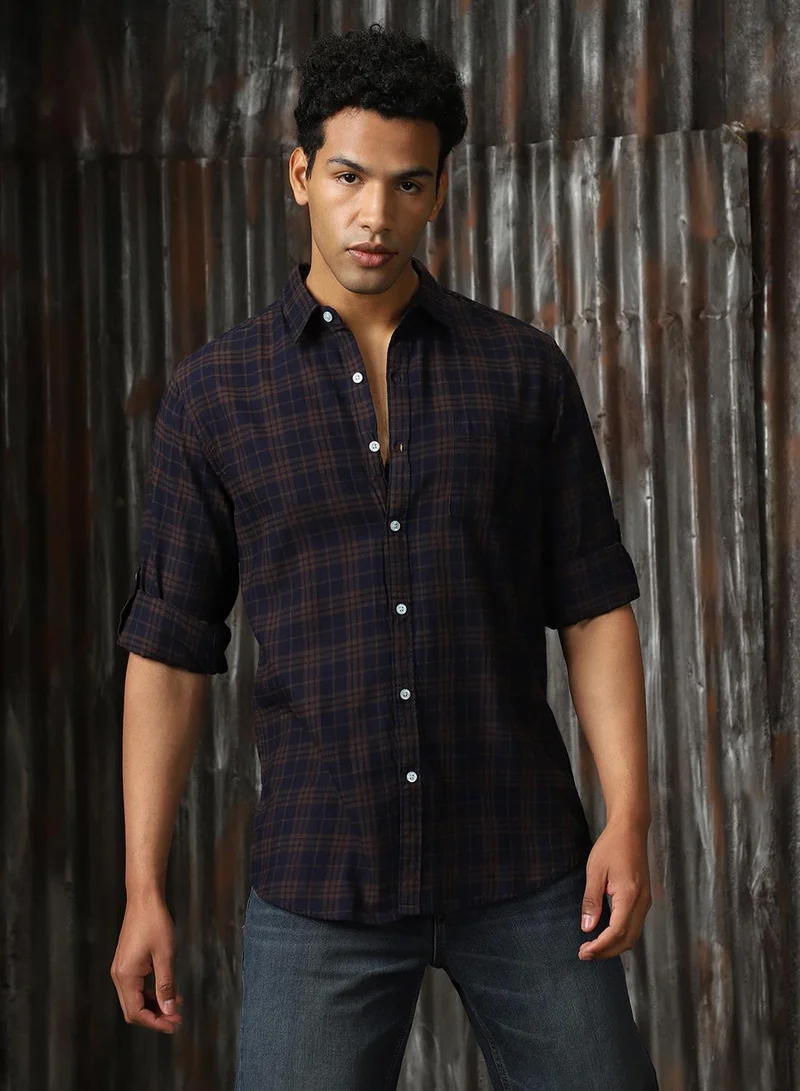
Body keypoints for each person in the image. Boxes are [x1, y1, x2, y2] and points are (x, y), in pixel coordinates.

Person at [110, 22, 659, 1091]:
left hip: (523, 860)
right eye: (349, 177)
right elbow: (169, 652)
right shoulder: (217, 396)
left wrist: (628, 820)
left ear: (439, 190)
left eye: (408, 184)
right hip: (322, 876)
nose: (375, 215)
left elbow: (594, 605)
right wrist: (143, 887)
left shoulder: (521, 373)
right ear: (300, 175)